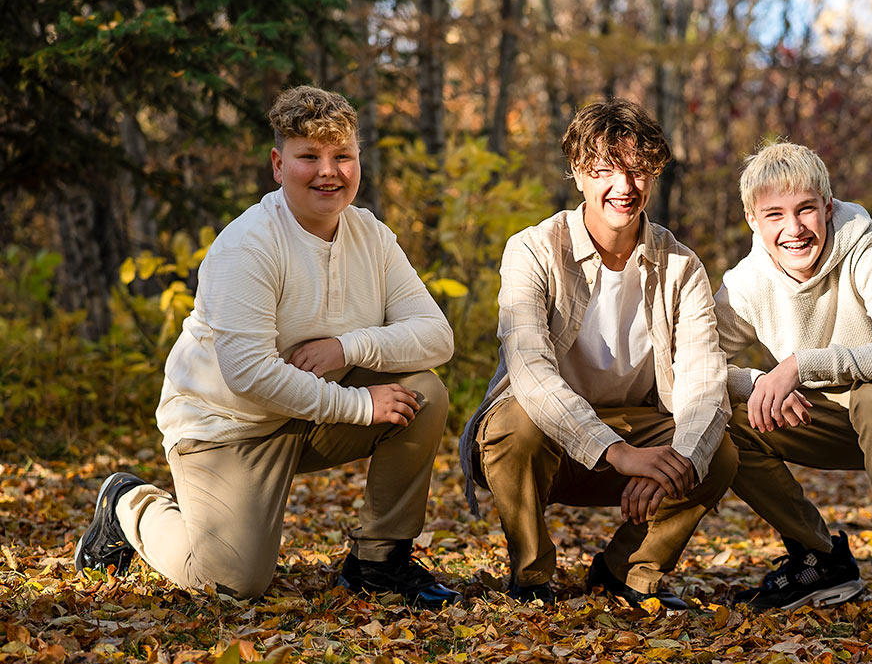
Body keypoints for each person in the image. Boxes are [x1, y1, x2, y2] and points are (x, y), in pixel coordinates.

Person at [75, 85, 460, 607]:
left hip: (309, 415)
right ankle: (130, 504)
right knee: (232, 583)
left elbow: (437, 337)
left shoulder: (371, 236)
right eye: (310, 157)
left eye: (342, 156)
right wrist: (359, 403)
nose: (329, 171)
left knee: (423, 393)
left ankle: (378, 562)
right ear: (278, 165)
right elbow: (250, 375)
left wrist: (349, 348)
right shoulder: (247, 245)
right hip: (224, 428)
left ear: (358, 163)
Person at [459, 99, 736, 608]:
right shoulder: (532, 249)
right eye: (604, 170)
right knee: (513, 423)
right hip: (551, 441)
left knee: (715, 451)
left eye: (637, 170)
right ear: (578, 174)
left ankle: (627, 572)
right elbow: (531, 371)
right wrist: (617, 453)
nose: (624, 188)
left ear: (653, 174)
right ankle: (532, 576)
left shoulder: (681, 266)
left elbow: (703, 380)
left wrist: (676, 461)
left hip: (637, 433)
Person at [714, 142, 872, 628]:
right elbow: (693, 364)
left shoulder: (865, 246)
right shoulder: (746, 284)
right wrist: (756, 381)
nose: (793, 229)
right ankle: (818, 559)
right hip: (832, 421)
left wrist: (802, 365)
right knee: (726, 420)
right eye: (774, 214)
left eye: (805, 210)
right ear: (753, 221)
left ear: (828, 208)